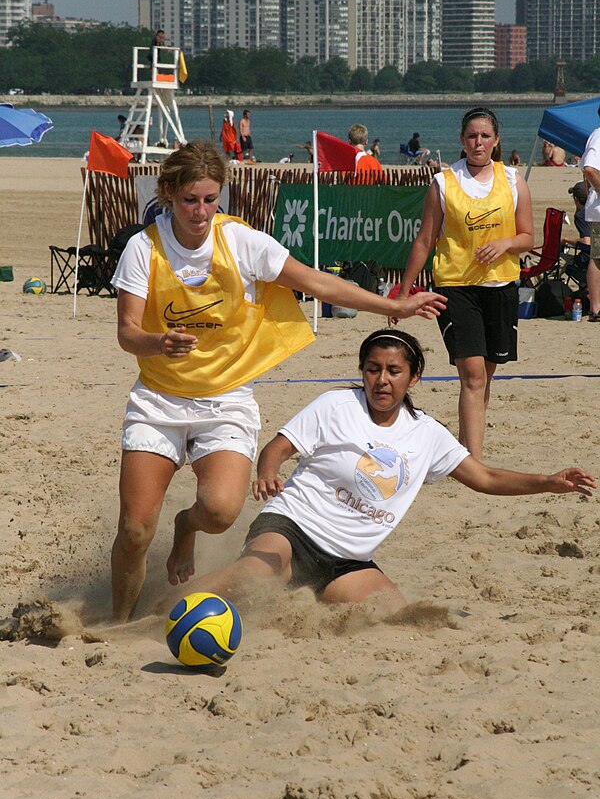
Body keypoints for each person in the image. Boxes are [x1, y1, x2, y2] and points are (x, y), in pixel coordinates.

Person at [109, 141, 447, 622]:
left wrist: (394, 305)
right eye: (190, 200)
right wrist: (158, 343)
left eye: (210, 199)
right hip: (159, 400)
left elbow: (317, 283)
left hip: (225, 398)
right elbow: (127, 333)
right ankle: (119, 623)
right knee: (136, 529)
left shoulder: (243, 242)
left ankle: (186, 527)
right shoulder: (143, 248)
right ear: (168, 194)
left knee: (221, 511)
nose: (201, 211)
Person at [188, 330, 594, 613]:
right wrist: (268, 471)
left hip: (348, 561)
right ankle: (171, 609)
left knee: (399, 618)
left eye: (393, 371)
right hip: (292, 529)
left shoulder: (427, 434)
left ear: (413, 377)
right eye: (372, 369)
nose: (381, 380)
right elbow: (277, 448)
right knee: (256, 574)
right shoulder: (336, 405)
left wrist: (548, 482)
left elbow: (484, 478)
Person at [394, 107, 534, 461]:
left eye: (485, 136)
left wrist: (505, 243)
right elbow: (425, 240)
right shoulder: (443, 183)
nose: (478, 142)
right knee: (471, 374)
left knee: (484, 376)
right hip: (456, 287)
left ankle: (465, 444)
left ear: (496, 140)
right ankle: (472, 460)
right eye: (472, 136)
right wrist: (403, 292)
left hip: (501, 286)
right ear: (462, 140)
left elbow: (528, 237)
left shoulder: (514, 181)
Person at [580, 111, 600, 321]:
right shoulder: (598, 136)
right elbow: (589, 169)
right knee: (598, 256)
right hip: (599, 210)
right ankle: (596, 307)